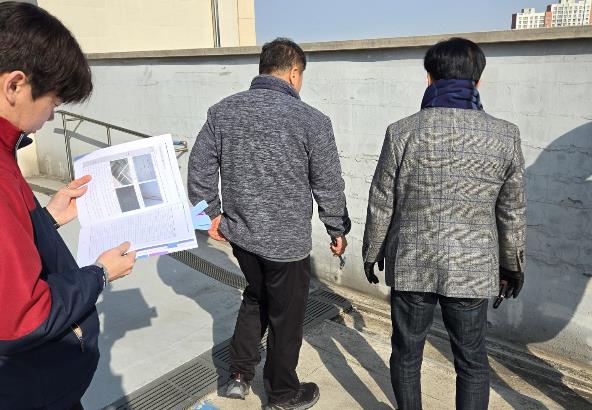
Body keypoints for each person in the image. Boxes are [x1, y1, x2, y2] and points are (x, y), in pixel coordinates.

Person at [362, 37, 526, 410]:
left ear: (430, 78)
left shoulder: (402, 131)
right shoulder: (506, 135)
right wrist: (512, 265)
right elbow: (512, 210)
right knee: (472, 361)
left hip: (412, 264)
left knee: (407, 354)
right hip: (472, 268)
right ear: (478, 81)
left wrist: (372, 251)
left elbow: (382, 200)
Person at [188, 37, 350, 410]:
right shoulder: (312, 120)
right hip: (287, 244)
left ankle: (239, 374)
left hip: (241, 236)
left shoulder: (223, 112)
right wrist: (337, 227)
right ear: (293, 73)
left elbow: (199, 169)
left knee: (257, 296)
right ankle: (282, 393)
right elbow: (328, 183)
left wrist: (210, 214)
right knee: (286, 316)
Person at [0, 3, 136, 409]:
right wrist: (99, 274)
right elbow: (24, 317)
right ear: (15, 85)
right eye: (53, 101)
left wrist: (47, 218)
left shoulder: (6, 150)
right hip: (28, 392)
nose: (51, 115)